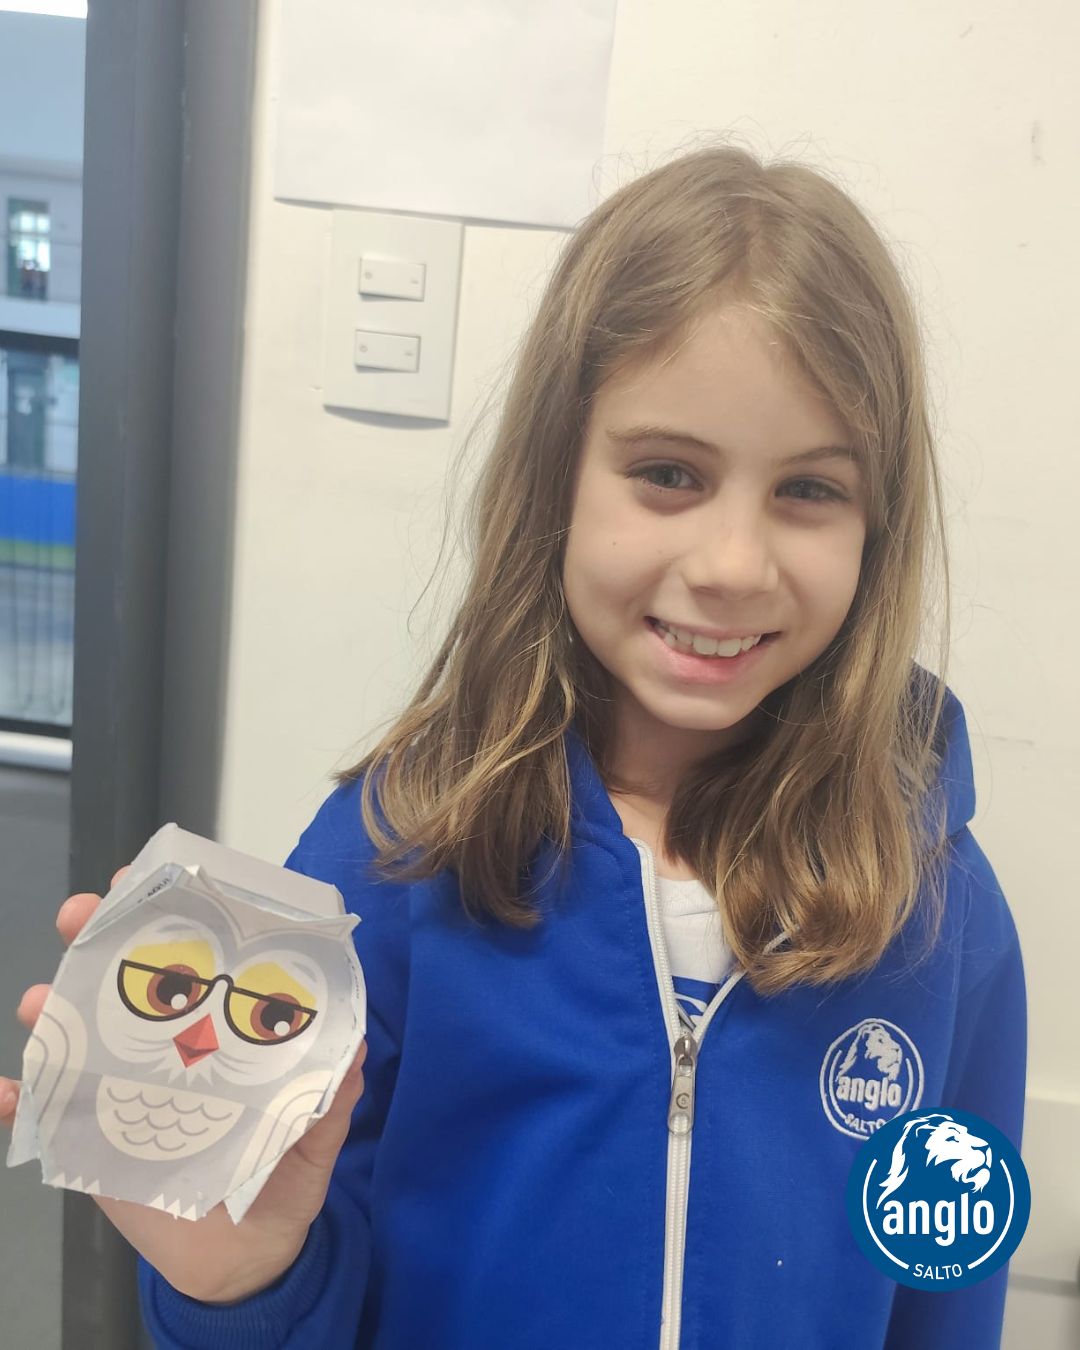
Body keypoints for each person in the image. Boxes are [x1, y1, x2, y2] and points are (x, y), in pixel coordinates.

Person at [1, 143, 1026, 1349]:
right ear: (556, 482)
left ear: (877, 525)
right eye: (668, 474)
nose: (734, 564)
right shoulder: (397, 855)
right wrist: (238, 1284)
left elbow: (947, 1300)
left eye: (809, 491)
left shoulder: (944, 917)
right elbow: (281, 1275)